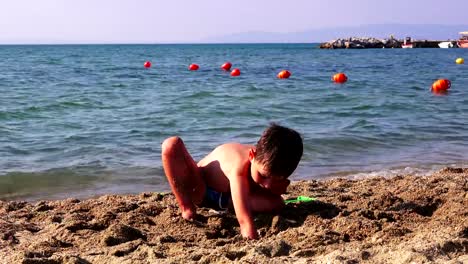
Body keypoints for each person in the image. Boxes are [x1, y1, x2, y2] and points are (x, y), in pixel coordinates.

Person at [161, 123, 303, 239]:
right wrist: (251, 237)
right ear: (252, 155)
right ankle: (187, 208)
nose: (267, 185)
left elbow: (270, 187)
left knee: (278, 203)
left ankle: (233, 204)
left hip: (229, 199)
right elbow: (245, 224)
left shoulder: (269, 164)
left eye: (277, 179)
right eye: (263, 176)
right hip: (203, 190)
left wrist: (276, 188)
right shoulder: (239, 166)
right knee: (171, 144)